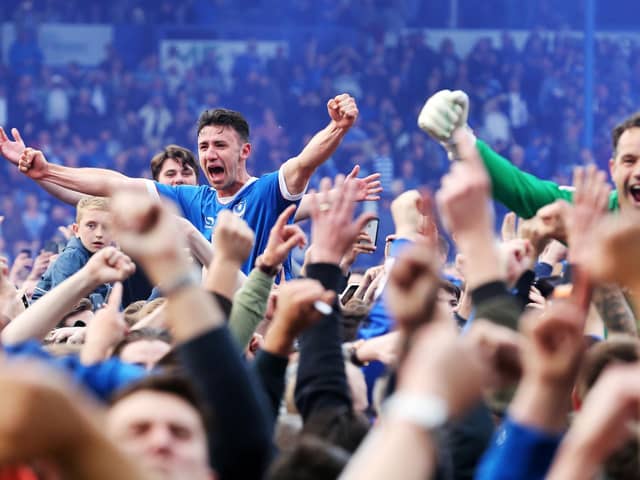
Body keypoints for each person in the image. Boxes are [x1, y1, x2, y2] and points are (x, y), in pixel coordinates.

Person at [10, 94, 366, 277]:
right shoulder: (191, 199)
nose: (209, 153)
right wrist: (47, 171)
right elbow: (113, 184)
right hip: (211, 321)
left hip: (261, 319)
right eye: (204, 147)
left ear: (245, 151)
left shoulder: (268, 191)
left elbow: (305, 161)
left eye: (220, 145)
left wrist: (338, 128)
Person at [417, 89, 640, 219]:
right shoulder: (593, 214)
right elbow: (522, 190)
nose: (639, 171)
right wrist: (460, 140)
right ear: (613, 168)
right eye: (629, 160)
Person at [32, 196, 113, 308]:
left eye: (106, 227)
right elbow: (60, 304)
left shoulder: (106, 259)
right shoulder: (71, 256)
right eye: (91, 226)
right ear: (76, 230)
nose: (99, 234)